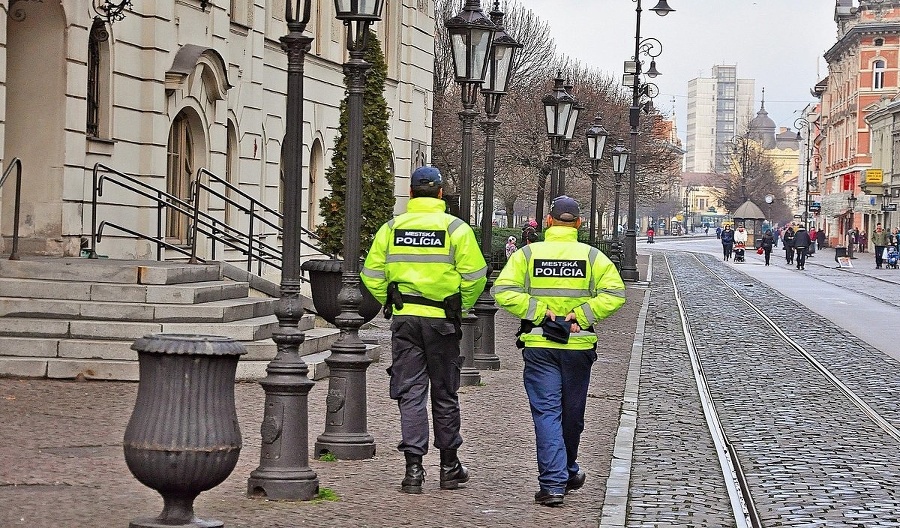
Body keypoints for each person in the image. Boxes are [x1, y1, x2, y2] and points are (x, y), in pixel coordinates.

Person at [361, 165, 488, 495]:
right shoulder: (456, 229)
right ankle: (449, 467)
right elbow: (476, 276)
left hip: (405, 321)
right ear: (441, 194)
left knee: (410, 393)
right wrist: (460, 305)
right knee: (444, 393)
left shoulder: (392, 228)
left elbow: (371, 274)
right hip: (442, 321)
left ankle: (414, 471)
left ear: (411, 193)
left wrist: (393, 301)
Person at [492, 195, 626, 508]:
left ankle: (555, 482)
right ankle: (564, 471)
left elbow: (503, 290)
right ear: (579, 223)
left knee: (547, 413)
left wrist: (538, 311)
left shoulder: (528, 254)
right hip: (579, 348)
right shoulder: (593, 257)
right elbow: (615, 293)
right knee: (573, 414)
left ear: (549, 221)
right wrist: (582, 315)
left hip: (539, 344)